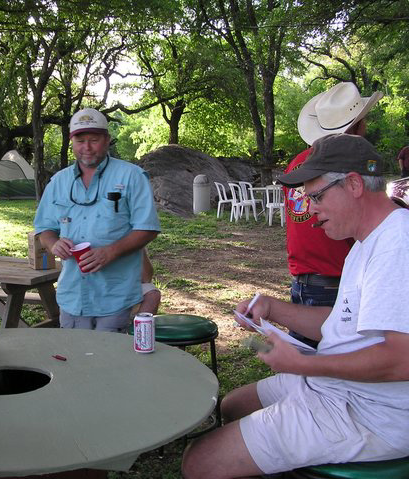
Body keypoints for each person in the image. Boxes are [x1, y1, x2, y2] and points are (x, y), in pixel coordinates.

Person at [181, 133, 409, 479]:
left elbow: (402, 360)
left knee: (198, 462)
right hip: (338, 387)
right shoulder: (365, 240)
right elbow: (343, 321)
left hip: (371, 413)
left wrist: (305, 364)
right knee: (233, 405)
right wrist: (273, 308)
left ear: (353, 184)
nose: (310, 209)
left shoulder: (397, 243)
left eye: (316, 196)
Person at [34, 108, 160, 332]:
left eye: (94, 140)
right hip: (72, 294)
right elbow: (44, 228)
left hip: (115, 294)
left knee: (109, 353)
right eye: (80, 141)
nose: (87, 147)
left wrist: (110, 252)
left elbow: (147, 228)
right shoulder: (58, 182)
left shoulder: (131, 176)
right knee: (73, 353)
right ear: (72, 142)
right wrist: (54, 244)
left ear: (107, 140)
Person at [283, 82, 383, 347]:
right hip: (336, 279)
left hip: (303, 278)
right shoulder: (347, 168)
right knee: (341, 351)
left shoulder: (298, 163)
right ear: (358, 127)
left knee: (308, 355)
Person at [131, 248, 161, 316]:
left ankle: (142, 322)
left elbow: (146, 278)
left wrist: (139, 247)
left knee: (152, 294)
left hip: (125, 286)